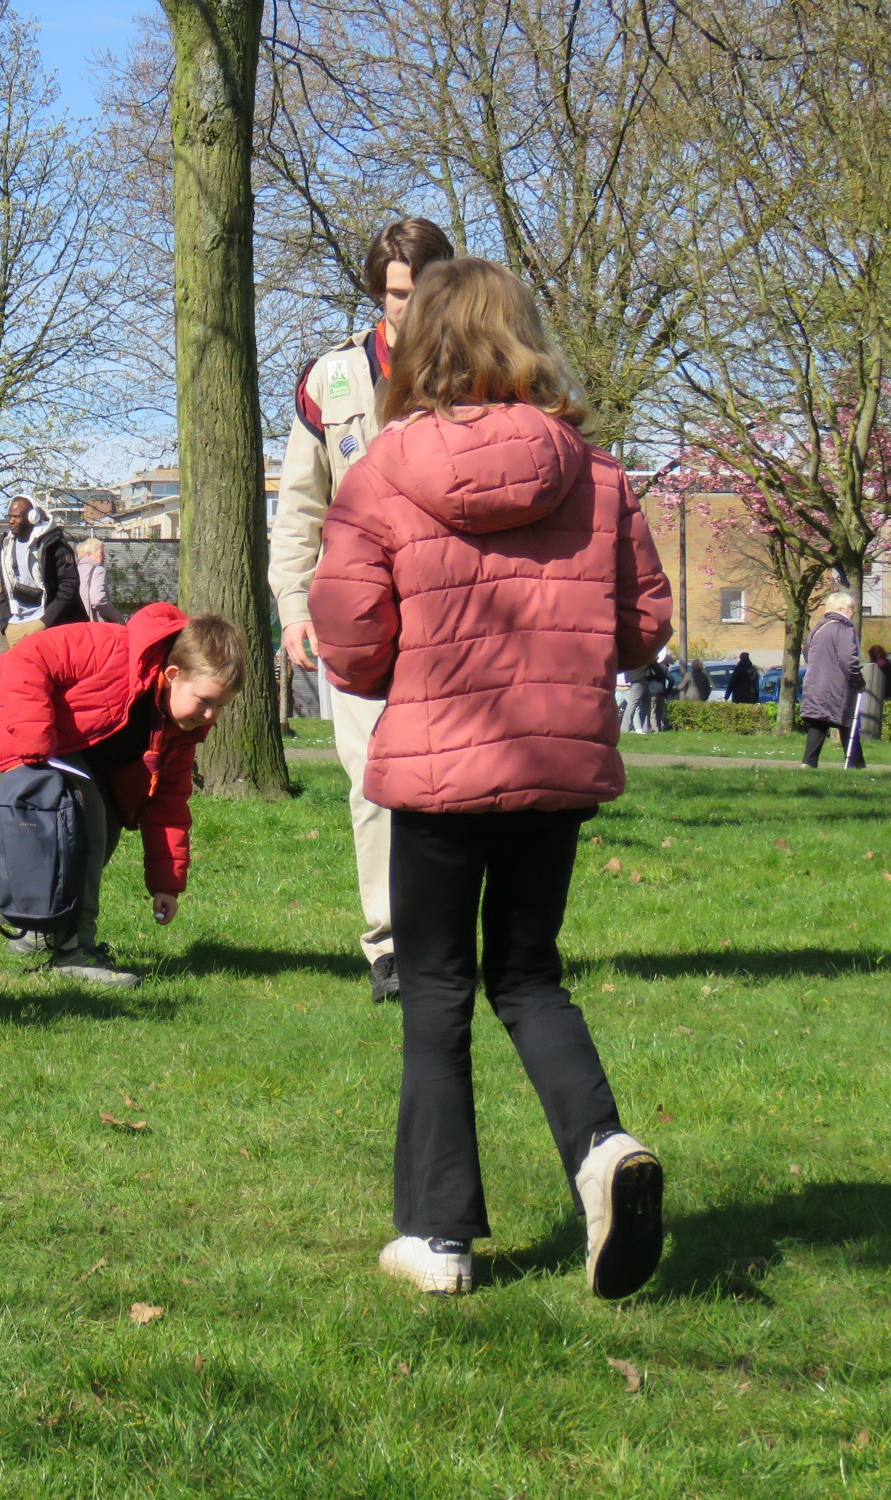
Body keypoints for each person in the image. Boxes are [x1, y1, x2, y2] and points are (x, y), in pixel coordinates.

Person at [309, 256, 673, 1300]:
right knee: (526, 975)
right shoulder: (594, 474)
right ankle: (600, 1149)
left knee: (434, 993)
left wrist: (391, 659)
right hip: (551, 765)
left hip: (432, 768)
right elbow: (644, 625)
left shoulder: (380, 468)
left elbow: (350, 638)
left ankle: (435, 1238)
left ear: (418, 341)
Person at [269, 215, 457, 1005]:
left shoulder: (479, 368)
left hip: (452, 603)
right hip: (356, 605)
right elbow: (300, 504)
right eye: (394, 295)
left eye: (420, 293)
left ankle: (447, 938)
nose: (406, 309)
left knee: (452, 776)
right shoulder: (330, 379)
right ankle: (389, 945)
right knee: (372, 777)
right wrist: (291, 604)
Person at [0, 605, 247, 987]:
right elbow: (29, 657)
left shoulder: (182, 731)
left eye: (221, 707)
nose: (210, 716)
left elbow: (168, 806)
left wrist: (165, 884)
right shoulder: (109, 647)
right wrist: (34, 737)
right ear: (173, 675)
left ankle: (44, 926)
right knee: (80, 815)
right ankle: (74, 949)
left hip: (74, 750)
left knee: (103, 826)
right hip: (16, 718)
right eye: (205, 700)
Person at [0, 495, 84, 649]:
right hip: (15, 624)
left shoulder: (53, 544)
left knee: (44, 671)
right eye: (10, 516)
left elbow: (69, 585)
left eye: (16, 517)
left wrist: (45, 621)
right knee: (21, 672)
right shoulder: (6, 545)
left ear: (32, 517)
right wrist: (5, 623)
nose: (11, 521)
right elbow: (5, 586)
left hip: (43, 623)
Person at [799, 591, 864, 769]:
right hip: (836, 686)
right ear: (842, 609)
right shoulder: (844, 628)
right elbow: (848, 659)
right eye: (852, 609)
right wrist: (858, 680)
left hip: (815, 684)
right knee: (848, 722)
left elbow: (807, 653)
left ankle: (808, 762)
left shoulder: (818, 628)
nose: (853, 613)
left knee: (818, 723)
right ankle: (855, 764)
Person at [76, 536, 125, 624]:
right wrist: (117, 616)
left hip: (78, 623)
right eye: (101, 553)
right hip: (96, 625)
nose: (104, 556)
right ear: (89, 554)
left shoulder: (75, 571)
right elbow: (98, 600)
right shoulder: (98, 569)